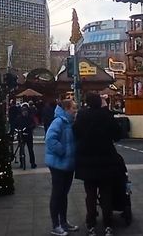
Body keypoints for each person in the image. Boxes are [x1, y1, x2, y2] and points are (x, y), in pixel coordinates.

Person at [73, 92, 123, 236]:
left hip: (87, 160)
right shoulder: (106, 115)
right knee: (106, 193)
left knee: (90, 194)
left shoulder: (82, 115)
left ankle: (91, 224)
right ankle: (108, 224)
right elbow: (117, 134)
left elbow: (75, 132)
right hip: (106, 159)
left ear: (87, 103)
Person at [45, 98, 79, 236]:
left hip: (68, 165)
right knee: (57, 194)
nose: (75, 111)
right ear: (66, 109)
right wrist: (63, 151)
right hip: (58, 164)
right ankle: (56, 225)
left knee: (63, 194)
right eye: (73, 108)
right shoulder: (59, 122)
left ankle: (63, 222)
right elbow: (50, 139)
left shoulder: (70, 123)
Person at [16, 103, 37, 169]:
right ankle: (22, 163)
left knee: (30, 149)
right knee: (22, 149)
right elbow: (16, 125)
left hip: (28, 134)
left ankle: (32, 163)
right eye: (23, 111)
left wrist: (30, 127)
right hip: (21, 134)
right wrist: (17, 130)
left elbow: (33, 124)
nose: (25, 112)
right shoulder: (19, 118)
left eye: (25, 111)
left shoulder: (29, 118)